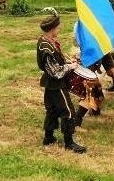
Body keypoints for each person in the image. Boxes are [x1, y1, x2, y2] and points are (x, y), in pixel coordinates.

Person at [36, 9, 86, 153]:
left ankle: (49, 138)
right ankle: (69, 144)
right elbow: (56, 72)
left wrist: (69, 61)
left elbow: (58, 61)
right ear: (52, 29)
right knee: (68, 112)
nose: (59, 29)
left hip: (50, 84)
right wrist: (71, 66)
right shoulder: (46, 47)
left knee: (52, 111)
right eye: (58, 28)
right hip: (56, 84)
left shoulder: (47, 41)